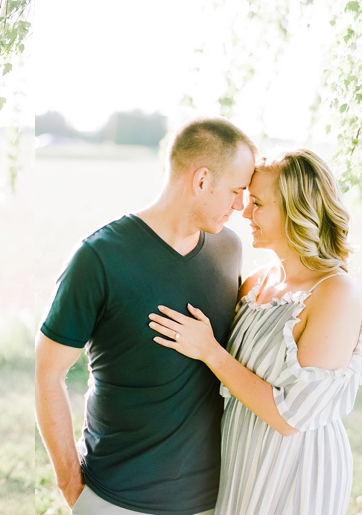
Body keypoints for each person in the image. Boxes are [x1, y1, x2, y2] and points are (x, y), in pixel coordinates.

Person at [36, 117, 257, 514]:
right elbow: (47, 373)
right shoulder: (99, 258)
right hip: (113, 498)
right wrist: (72, 486)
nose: (241, 206)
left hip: (209, 501)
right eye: (236, 191)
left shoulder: (229, 250)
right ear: (202, 180)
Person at [148, 149, 362, 514]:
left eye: (258, 204)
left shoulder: (336, 293)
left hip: (299, 467)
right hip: (242, 454)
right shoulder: (254, 283)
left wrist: (209, 350)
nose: (245, 212)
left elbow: (290, 418)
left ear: (296, 211)